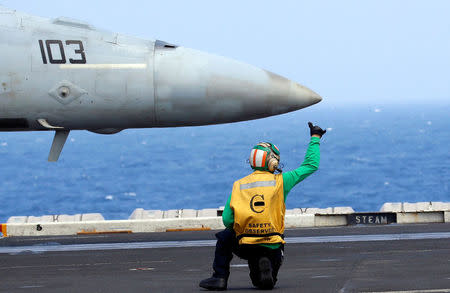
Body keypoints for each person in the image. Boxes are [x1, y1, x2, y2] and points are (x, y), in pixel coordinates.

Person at [199, 122, 326, 291]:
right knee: (263, 283)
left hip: (246, 244)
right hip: (273, 244)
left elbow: (227, 220)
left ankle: (219, 278)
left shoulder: (239, 185)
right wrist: (315, 138)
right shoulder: (282, 181)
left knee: (225, 237)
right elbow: (311, 165)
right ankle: (267, 270)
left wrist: (246, 227)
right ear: (273, 162)